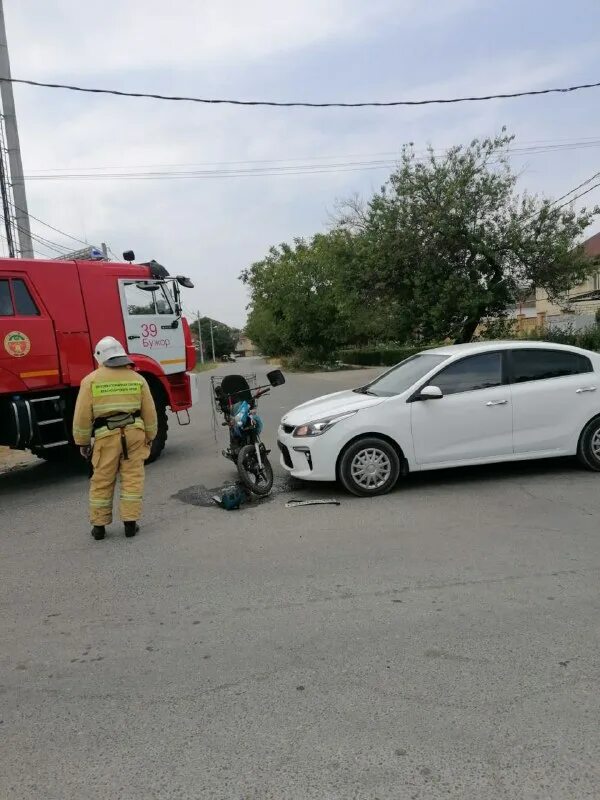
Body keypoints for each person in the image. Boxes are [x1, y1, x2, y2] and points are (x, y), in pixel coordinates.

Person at [72, 336, 157, 541]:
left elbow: (82, 416)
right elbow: (150, 412)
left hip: (105, 436)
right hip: (135, 434)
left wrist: (82, 442)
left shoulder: (90, 380)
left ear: (99, 357)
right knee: (133, 478)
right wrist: (150, 436)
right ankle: (130, 524)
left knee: (101, 480)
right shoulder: (138, 379)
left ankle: (99, 527)